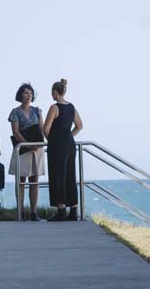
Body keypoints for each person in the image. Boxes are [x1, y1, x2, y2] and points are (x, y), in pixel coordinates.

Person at [42, 78, 83, 221]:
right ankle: (73, 210)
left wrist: (53, 141)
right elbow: (79, 126)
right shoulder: (72, 107)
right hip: (70, 144)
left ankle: (61, 210)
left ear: (55, 92)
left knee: (57, 176)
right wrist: (68, 137)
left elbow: (45, 129)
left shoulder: (54, 107)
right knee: (70, 176)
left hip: (57, 145)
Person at [8, 83, 45, 221]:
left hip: (37, 149)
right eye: (25, 92)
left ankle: (33, 212)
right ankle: (21, 211)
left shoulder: (37, 111)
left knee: (34, 180)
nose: (28, 95)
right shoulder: (15, 112)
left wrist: (44, 142)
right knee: (21, 180)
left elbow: (42, 128)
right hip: (23, 149)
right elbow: (15, 132)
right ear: (20, 95)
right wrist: (28, 145)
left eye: (30, 92)